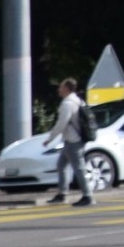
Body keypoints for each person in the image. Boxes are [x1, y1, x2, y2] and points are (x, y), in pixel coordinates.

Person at [46, 77, 94, 205]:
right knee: (61, 166)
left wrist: (50, 139)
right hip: (72, 140)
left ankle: (88, 196)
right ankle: (62, 194)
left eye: (61, 87)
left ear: (66, 89)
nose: (59, 89)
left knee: (79, 168)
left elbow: (62, 123)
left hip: (74, 141)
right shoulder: (78, 101)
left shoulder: (68, 104)